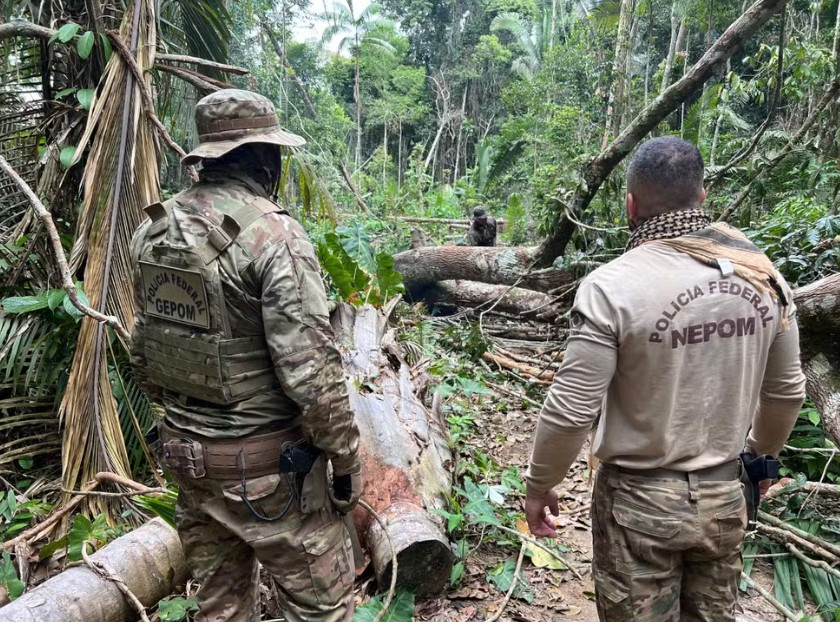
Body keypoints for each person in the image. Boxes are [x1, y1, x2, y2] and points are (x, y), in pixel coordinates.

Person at [523, 137, 806, 621]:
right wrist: (761, 460)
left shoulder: (612, 286)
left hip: (637, 504)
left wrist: (540, 483)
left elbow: (572, 409)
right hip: (724, 498)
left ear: (630, 204)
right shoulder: (763, 276)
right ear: (701, 196)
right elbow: (786, 393)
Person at [129, 89, 361, 622]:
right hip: (270, 475)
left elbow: (145, 351)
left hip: (190, 464)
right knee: (320, 609)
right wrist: (345, 458)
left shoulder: (154, 230)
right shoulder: (275, 236)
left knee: (220, 608)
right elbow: (311, 374)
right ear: (262, 157)